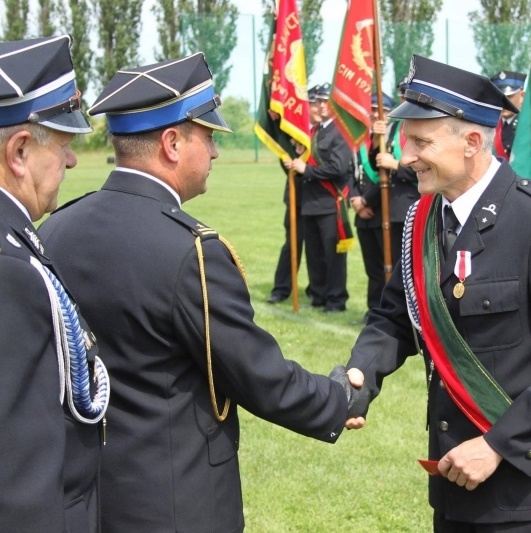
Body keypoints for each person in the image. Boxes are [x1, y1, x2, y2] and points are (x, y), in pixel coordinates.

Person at [38, 53, 369, 533]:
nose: (214, 153)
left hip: (87, 496)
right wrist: (339, 399)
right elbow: (260, 377)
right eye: (208, 136)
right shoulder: (190, 251)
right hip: (176, 503)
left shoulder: (58, 228)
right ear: (172, 142)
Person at [345, 55, 531, 531]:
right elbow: (394, 317)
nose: (406, 157)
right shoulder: (422, 219)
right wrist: (358, 375)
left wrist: (498, 445)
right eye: (406, 141)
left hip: (523, 488)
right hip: (452, 480)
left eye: (420, 142)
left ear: (472, 141)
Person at [0, 35, 107, 532]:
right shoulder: (10, 270)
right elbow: (20, 478)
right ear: (20, 151)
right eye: (63, 144)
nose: (70, 162)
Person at [351, 92, 420, 321]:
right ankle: (377, 310)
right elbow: (369, 169)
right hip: (387, 208)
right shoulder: (384, 134)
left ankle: (401, 314)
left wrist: (394, 164)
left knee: (402, 268)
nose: (374, 113)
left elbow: (420, 168)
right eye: (402, 96)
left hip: (406, 207)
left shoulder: (411, 130)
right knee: (379, 268)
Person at [286, 82, 353, 312]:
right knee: (314, 255)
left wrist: (307, 170)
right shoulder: (314, 131)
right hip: (310, 203)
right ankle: (318, 295)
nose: (321, 105)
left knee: (333, 255)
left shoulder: (341, 131)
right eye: (319, 101)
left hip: (329, 203)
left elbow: (339, 167)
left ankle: (336, 300)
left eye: (326, 101)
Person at [267, 85, 318, 304]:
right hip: (296, 195)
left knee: (318, 249)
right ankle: (281, 288)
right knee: (292, 245)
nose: (315, 108)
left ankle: (317, 291)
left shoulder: (325, 132)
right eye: (312, 104)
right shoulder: (295, 129)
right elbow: (285, 153)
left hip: (317, 198)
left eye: (317, 104)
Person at [490, 70, 526, 160]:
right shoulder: (491, 125)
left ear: (522, 96)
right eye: (499, 97)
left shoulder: (528, 127)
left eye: (508, 97)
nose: (503, 102)